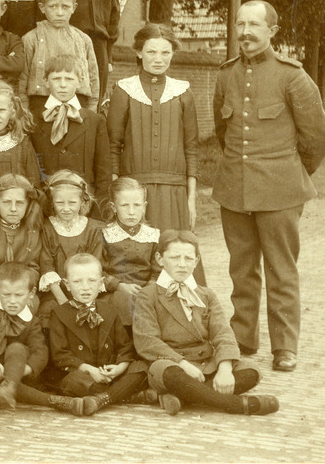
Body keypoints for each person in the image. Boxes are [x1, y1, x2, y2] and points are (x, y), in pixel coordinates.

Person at [213, 0, 325, 372]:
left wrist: (289, 173)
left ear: (272, 31)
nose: (245, 32)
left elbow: (315, 138)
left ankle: (285, 347)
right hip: (234, 189)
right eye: (240, 24)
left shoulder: (293, 76)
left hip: (280, 191)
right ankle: (243, 338)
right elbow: (222, 131)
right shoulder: (226, 74)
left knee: (281, 270)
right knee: (241, 269)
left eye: (254, 25)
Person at [133, 231, 279, 416]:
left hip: (206, 363)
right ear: (160, 259)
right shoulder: (148, 295)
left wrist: (225, 369)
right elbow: (147, 341)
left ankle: (183, 397)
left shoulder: (206, 295)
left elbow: (223, 333)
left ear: (196, 261)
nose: (182, 264)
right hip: (173, 364)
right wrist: (183, 364)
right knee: (168, 373)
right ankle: (234, 404)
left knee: (252, 370)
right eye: (175, 257)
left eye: (188, 258)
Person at [107, 23, 200, 240]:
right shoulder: (124, 90)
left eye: (165, 52)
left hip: (174, 194)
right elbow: (113, 147)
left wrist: (191, 201)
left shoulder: (183, 92)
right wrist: (115, 196)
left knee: (174, 250)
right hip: (133, 194)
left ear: (173, 53)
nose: (158, 59)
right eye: (151, 52)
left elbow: (191, 150)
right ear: (139, 52)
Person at [43, 253, 147, 416]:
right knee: (74, 382)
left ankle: (104, 398)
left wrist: (119, 369)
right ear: (67, 285)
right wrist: (90, 370)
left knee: (141, 367)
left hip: (108, 373)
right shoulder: (59, 313)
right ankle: (126, 395)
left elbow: (125, 347)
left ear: (101, 283)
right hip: (82, 374)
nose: (85, 287)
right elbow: (60, 355)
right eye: (77, 282)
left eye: (92, 281)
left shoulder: (110, 310)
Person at [0, 262, 57, 413]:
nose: (12, 301)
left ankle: (8, 388)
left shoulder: (31, 321)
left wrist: (16, 372)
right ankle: (61, 402)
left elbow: (40, 352)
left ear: (31, 293)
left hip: (18, 375)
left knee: (16, 348)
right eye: (6, 295)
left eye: (19, 295)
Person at [29, 54, 110, 202]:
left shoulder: (95, 121)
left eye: (69, 79)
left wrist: (98, 205)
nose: (63, 85)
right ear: (45, 81)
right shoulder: (32, 119)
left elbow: (103, 171)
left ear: (80, 81)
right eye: (56, 79)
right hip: (45, 201)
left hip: (84, 201)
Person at [19, 0, 99, 111]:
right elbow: (23, 77)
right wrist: (24, 109)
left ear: (74, 8)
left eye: (65, 7)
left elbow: (93, 76)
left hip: (77, 103)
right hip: (41, 103)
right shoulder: (31, 38)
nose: (59, 13)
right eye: (53, 6)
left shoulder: (83, 40)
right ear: (42, 7)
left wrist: (92, 107)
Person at [37, 170, 105, 321]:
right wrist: (65, 303)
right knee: (50, 312)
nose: (66, 208)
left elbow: (95, 268)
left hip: (88, 292)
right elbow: (46, 266)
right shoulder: (46, 228)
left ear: (82, 201)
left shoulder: (94, 229)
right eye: (60, 203)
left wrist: (84, 301)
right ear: (51, 202)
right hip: (57, 294)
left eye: (72, 203)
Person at [0, 175, 43, 312]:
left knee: (30, 307)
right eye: (6, 202)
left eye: (19, 203)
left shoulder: (33, 232)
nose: (13, 208)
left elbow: (34, 268)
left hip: (21, 291)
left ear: (28, 205)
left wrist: (24, 293)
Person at [101, 177, 161, 327]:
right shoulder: (105, 235)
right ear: (114, 207)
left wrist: (149, 288)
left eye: (137, 205)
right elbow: (97, 271)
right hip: (115, 292)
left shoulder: (153, 235)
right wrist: (118, 285)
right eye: (124, 205)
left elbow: (158, 270)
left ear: (144, 207)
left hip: (147, 291)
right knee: (123, 302)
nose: (131, 212)